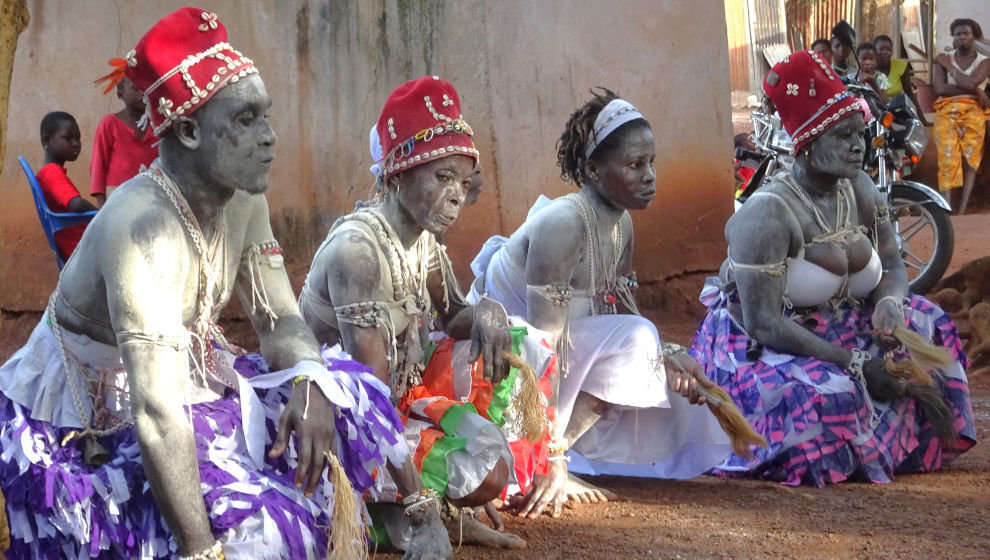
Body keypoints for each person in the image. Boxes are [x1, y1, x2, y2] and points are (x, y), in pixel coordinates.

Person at [0, 8, 405, 558]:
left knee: (343, 401)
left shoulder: (244, 198)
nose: (269, 137)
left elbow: (279, 318)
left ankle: (385, 514)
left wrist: (310, 380)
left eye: (266, 116)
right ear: (188, 131)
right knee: (251, 538)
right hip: (87, 417)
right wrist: (201, 550)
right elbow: (156, 414)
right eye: (245, 120)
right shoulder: (140, 229)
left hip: (179, 379)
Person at [690, 49, 976, 487]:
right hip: (762, 343)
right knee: (829, 392)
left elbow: (893, 263)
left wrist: (890, 305)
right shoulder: (768, 214)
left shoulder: (859, 188)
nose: (858, 145)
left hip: (842, 324)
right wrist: (856, 363)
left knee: (931, 324)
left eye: (860, 133)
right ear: (806, 143)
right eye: (844, 135)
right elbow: (762, 322)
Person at [300, 76, 539, 557]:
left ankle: (400, 514)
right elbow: (371, 401)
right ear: (395, 176)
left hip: (391, 398)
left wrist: (489, 310)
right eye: (442, 177)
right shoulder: (359, 252)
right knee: (471, 471)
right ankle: (386, 520)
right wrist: (423, 510)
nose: (456, 197)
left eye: (463, 183)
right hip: (333, 420)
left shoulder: (421, 240)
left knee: (516, 340)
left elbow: (453, 317)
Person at [467, 88, 733, 517]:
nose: (650, 177)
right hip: (502, 359)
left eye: (651, 163)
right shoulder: (564, 225)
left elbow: (618, 307)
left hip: (551, 352)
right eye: (634, 165)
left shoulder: (621, 223)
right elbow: (541, 345)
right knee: (638, 344)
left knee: (657, 357)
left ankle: (556, 451)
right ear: (592, 169)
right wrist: (550, 457)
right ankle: (541, 461)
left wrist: (671, 355)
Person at [932, 18, 990, 215]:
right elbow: (939, 88)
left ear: (975, 37)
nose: (962, 37)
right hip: (947, 112)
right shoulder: (942, 57)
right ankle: (945, 209)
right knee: (947, 158)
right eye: (958, 34)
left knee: (971, 160)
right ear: (953, 37)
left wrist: (950, 67)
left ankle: (962, 211)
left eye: (966, 33)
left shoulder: (984, 61)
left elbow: (973, 81)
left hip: (974, 113)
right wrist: (976, 92)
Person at [90, 69, 159, 207]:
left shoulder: (158, 124)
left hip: (153, 197)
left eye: (146, 87)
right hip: (117, 199)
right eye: (135, 88)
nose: (143, 93)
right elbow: (98, 167)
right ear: (120, 95)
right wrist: (102, 207)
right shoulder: (110, 123)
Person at [36, 111, 97, 258]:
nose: (76, 143)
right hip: (83, 250)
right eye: (68, 138)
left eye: (78, 138)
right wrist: (103, 214)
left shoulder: (50, 172)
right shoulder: (51, 173)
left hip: (84, 246)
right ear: (46, 141)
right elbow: (76, 204)